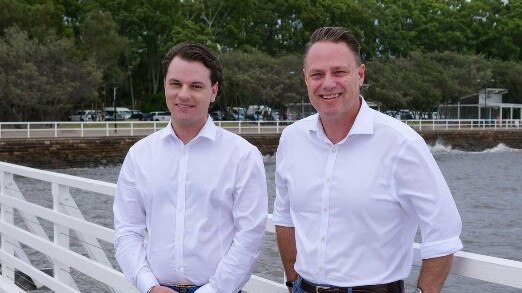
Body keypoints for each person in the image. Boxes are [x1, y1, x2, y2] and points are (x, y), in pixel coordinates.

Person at [273, 27, 462, 293]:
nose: (328, 83)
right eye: (317, 74)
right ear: (306, 79)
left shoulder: (401, 144)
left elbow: (443, 232)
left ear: (360, 74)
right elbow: (284, 216)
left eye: (339, 72)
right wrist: (293, 282)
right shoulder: (292, 139)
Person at [113, 42, 268, 293]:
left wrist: (214, 290)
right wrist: (149, 285)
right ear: (165, 85)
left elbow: (249, 237)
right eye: (175, 84)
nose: (183, 94)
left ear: (214, 91)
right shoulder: (139, 155)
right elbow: (126, 231)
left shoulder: (243, 156)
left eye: (196, 86)